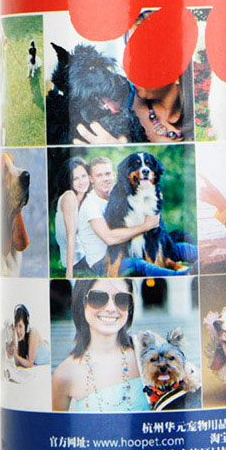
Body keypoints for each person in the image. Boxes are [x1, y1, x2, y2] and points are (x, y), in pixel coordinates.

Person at [52, 279, 147, 412]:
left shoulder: (148, 352)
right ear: (81, 302)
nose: (110, 308)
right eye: (98, 298)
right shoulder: (65, 373)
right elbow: (57, 424)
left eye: (122, 299)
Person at [75, 157, 181, 277]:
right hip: (102, 262)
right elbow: (109, 239)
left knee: (179, 248)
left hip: (126, 252)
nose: (105, 179)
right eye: (99, 175)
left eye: (108, 174)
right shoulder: (90, 204)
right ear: (91, 179)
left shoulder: (116, 196)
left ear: (114, 175)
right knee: (139, 264)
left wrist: (155, 197)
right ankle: (182, 274)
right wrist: (146, 226)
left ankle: (196, 257)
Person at [53, 158, 90, 278]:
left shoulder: (85, 199)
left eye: (83, 176)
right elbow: (71, 235)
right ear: (69, 181)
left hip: (84, 257)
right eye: (76, 178)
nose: (81, 181)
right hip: (77, 262)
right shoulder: (69, 197)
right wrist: (69, 272)